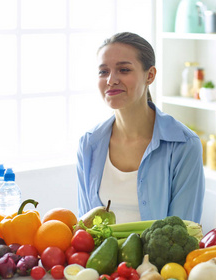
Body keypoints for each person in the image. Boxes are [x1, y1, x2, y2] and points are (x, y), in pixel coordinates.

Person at [76, 32, 205, 224]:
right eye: (103, 72)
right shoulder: (89, 144)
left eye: (124, 70)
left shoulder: (184, 145)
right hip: (98, 255)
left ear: (150, 75)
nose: (111, 80)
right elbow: (84, 230)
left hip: (158, 255)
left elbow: (181, 234)